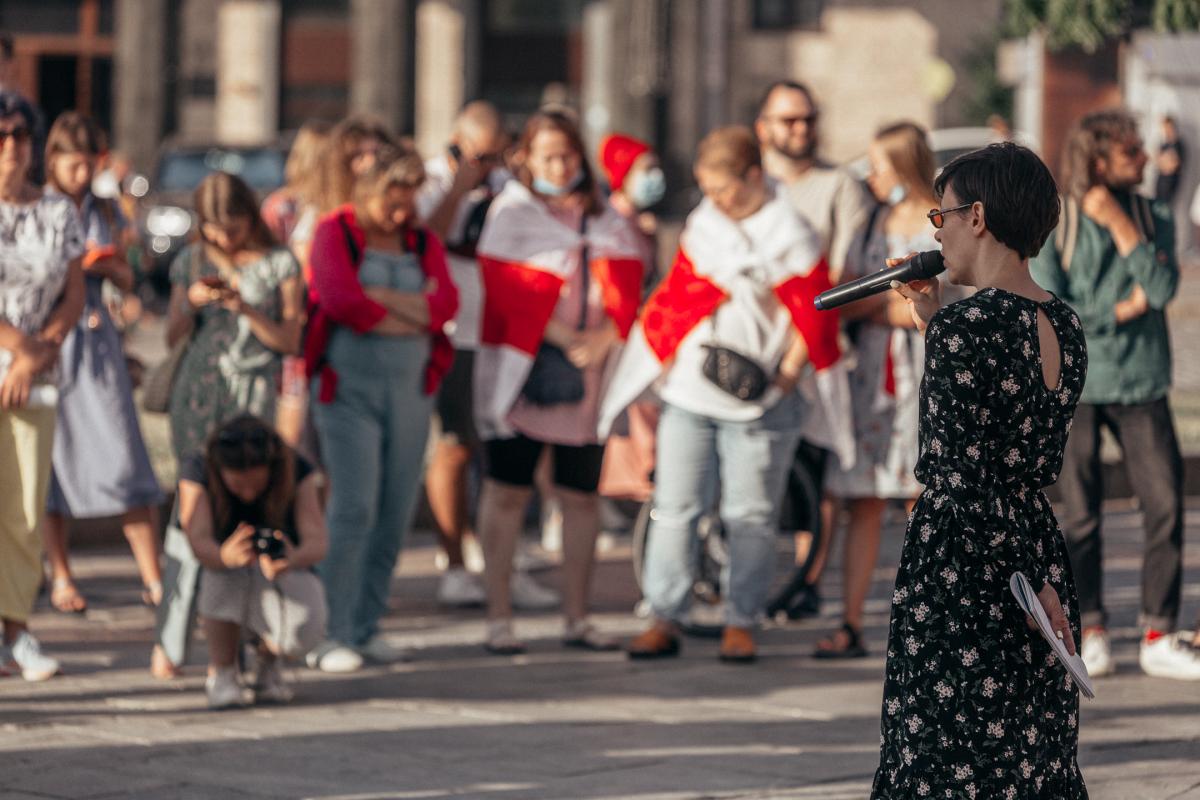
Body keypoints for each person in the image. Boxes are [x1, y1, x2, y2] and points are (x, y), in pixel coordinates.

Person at [874, 141, 1088, 798]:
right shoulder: (1060, 320)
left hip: (967, 562)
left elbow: (967, 479)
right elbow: (1004, 439)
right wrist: (931, 319)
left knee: (950, 749)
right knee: (1026, 741)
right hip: (1033, 538)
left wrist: (943, 331)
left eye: (941, 217)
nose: (936, 232)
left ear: (977, 216)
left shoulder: (969, 329)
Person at [607, 126, 843, 664]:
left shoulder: (793, 233)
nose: (717, 201)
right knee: (674, 506)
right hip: (692, 389)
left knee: (751, 514)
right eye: (708, 191)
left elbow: (813, 317)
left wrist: (785, 377)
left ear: (754, 177)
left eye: (726, 191)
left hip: (761, 398)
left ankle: (742, 619)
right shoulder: (704, 225)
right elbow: (678, 296)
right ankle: (664, 613)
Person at [1031, 109, 1200, 680]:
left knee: (1165, 506)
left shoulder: (1152, 215)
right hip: (1080, 385)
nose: (1147, 159)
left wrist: (1123, 229)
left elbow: (1160, 287)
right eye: (1132, 152)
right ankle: (1091, 627)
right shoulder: (1062, 221)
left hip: (1143, 380)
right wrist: (1117, 310)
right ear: (1098, 159)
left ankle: (1158, 631)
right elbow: (1054, 306)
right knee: (1079, 514)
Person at [472, 110, 644, 654]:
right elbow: (502, 290)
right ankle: (498, 617)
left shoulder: (608, 219)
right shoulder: (512, 214)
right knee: (506, 492)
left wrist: (606, 337)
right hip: (525, 369)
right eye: (546, 156)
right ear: (526, 157)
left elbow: (631, 287)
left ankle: (577, 615)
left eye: (566, 155)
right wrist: (563, 333)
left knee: (580, 497)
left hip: (589, 376)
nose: (558, 165)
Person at [304, 143, 458, 673]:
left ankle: (367, 625)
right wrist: (410, 314)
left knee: (395, 511)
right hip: (348, 390)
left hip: (412, 389)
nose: (400, 214)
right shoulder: (336, 232)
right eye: (391, 203)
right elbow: (340, 300)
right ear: (367, 192)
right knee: (354, 506)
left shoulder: (419, 240)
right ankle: (331, 630)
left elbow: (446, 307)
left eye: (408, 202)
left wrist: (381, 300)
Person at [154, 171, 304, 678]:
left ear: (251, 218)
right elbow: (172, 335)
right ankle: (171, 639)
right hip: (199, 396)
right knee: (191, 510)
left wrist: (245, 309)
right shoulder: (191, 260)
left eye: (234, 227)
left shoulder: (280, 262)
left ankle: (253, 647)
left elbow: (290, 340)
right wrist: (191, 304)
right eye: (215, 229)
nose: (224, 239)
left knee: (255, 507)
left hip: (253, 396)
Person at [817, 122, 943, 659]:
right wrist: (891, 302)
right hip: (874, 370)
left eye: (880, 164)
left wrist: (893, 303)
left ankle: (928, 623)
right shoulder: (874, 218)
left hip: (922, 367)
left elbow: (946, 295)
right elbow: (849, 291)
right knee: (862, 498)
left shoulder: (940, 222)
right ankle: (849, 620)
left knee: (926, 501)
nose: (872, 175)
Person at [37, 112, 165, 616]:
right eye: (73, 165)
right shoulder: (38, 207)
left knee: (125, 452)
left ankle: (153, 576)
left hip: (97, 336)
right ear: (54, 161)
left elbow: (133, 282)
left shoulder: (108, 210)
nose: (82, 175)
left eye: (90, 165)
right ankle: (61, 573)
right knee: (55, 458)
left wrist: (109, 266)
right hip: (51, 338)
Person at [754, 80, 872, 620]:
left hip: (815, 346)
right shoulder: (749, 183)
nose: (798, 129)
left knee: (813, 470)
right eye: (787, 120)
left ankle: (805, 580)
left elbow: (843, 274)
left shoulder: (838, 186)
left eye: (806, 119)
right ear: (764, 127)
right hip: (750, 346)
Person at [415, 101, 517, 609]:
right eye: (481, 156)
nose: (488, 166)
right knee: (455, 445)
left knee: (497, 447)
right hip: (454, 331)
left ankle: (498, 558)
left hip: (498, 330)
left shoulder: (504, 185)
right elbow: (424, 237)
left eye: (496, 157)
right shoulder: (431, 182)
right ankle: (452, 559)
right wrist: (460, 185)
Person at [0, 90, 86, 681]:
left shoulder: (59, 212)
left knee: (26, 506)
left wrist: (34, 357)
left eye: (20, 135)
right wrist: (15, 348)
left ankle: (17, 629)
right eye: (1, 136)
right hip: (15, 355)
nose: (12, 147)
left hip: (37, 374)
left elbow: (73, 294)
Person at [177, 415, 328, 709]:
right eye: (238, 485)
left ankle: (267, 663)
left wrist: (291, 557)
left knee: (304, 631)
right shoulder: (198, 467)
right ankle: (223, 672)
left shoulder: (296, 468)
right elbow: (197, 539)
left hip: (280, 572)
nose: (248, 493)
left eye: (256, 484)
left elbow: (318, 542)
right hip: (223, 571)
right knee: (216, 578)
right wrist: (224, 556)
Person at [261, 120, 331, 455]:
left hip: (301, 322)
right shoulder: (287, 208)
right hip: (303, 322)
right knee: (299, 430)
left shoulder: (280, 204)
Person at [1154, 115, 1184, 206]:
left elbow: (1173, 166)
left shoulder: (1178, 145)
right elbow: (1157, 162)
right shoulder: (1164, 144)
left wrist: (1165, 162)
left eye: (1167, 127)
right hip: (1160, 183)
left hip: (1170, 184)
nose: (1166, 130)